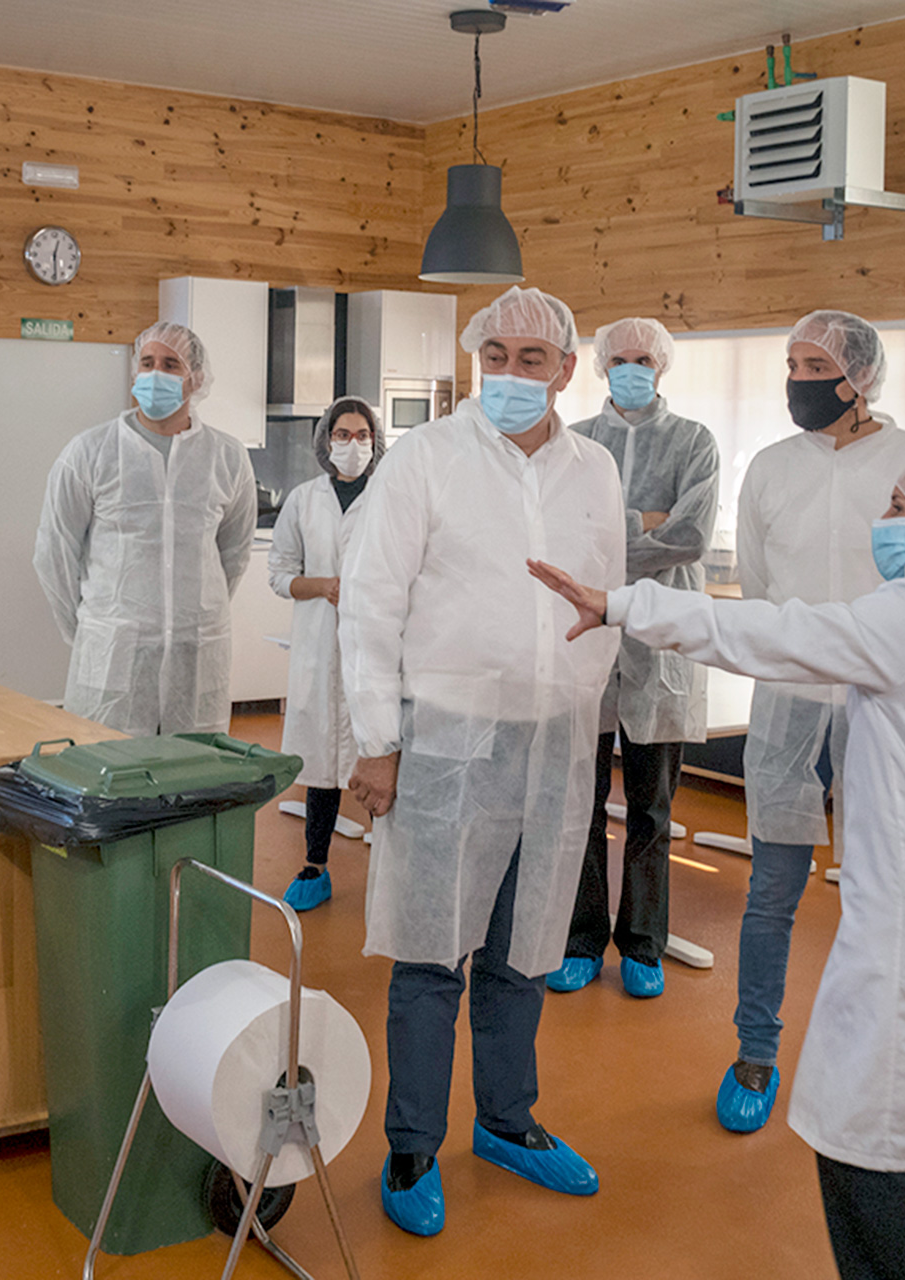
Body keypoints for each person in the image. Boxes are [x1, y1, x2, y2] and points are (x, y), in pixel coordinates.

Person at [529, 452, 905, 1280]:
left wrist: (619, 603)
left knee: (872, 1145)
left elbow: (771, 633)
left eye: (901, 507)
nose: (886, 522)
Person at [339, 286, 626, 1237]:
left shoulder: (594, 472)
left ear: (566, 371)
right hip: (446, 741)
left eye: (531, 360)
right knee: (431, 953)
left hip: (555, 742)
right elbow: (372, 603)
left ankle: (508, 1120)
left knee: (524, 949)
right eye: (493, 355)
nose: (509, 375)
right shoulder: (425, 460)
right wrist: (377, 743)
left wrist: (582, 710)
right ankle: (413, 1143)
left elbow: (609, 601)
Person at [719, 309, 905, 1134]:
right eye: (789, 363)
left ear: (858, 378)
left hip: (886, 700)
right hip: (788, 697)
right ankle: (755, 1051)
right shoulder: (772, 468)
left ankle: (882, 1058)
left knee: (886, 890)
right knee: (771, 893)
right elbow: (756, 580)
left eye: (813, 365)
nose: (797, 381)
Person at [550, 317, 721, 999]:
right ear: (598, 365)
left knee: (652, 809)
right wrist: (645, 519)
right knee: (580, 804)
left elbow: (691, 536)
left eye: (642, 357)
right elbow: (563, 537)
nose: (630, 367)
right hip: (586, 640)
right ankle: (581, 938)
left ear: (663, 365)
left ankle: (644, 943)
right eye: (618, 357)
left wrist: (616, 530)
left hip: (660, 640)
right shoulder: (577, 443)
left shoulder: (694, 442)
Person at [34, 321, 258, 737]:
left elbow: (234, 551)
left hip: (197, 652)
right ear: (135, 372)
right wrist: (91, 627)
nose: (156, 374)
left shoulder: (226, 458)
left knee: (192, 779)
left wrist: (195, 611)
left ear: (197, 379)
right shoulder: (90, 453)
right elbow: (54, 551)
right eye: (147, 362)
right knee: (110, 774)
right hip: (114, 653)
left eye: (171, 364)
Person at [269, 395, 384, 912]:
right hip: (320, 642)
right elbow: (278, 573)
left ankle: (389, 865)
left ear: (376, 442)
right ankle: (315, 865)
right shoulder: (303, 499)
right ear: (326, 441)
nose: (353, 444)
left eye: (362, 435)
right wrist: (321, 586)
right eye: (343, 435)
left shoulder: (389, 494)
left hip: (377, 646)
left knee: (380, 753)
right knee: (321, 762)